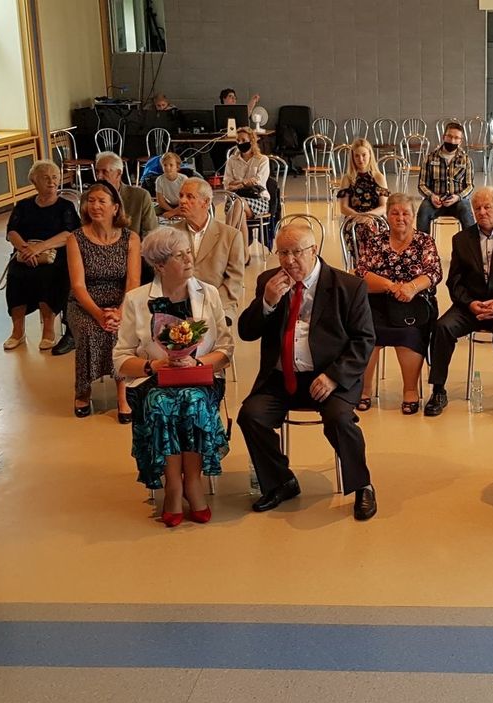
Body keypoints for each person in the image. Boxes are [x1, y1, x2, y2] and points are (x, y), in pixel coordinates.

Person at [237, 224, 378, 521]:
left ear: (314, 250)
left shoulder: (348, 286)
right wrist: (267, 302)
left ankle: (362, 485)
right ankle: (281, 482)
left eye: (296, 252)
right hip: (281, 377)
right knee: (251, 416)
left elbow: (364, 340)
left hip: (328, 377)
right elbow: (247, 332)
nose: (289, 261)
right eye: (282, 253)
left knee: (340, 419)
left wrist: (334, 376)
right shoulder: (269, 281)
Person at [113, 228, 234, 527]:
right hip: (154, 379)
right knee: (161, 404)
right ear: (160, 266)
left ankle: (192, 482)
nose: (188, 259)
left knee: (193, 402)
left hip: (201, 376)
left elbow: (225, 350)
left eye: (188, 252)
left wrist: (196, 361)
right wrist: (154, 365)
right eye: (179, 256)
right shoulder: (137, 300)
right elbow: (120, 359)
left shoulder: (208, 293)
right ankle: (173, 486)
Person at [424, 186, 493, 417]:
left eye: (487, 207)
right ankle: (438, 389)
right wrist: (470, 303)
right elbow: (454, 281)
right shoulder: (461, 239)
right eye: (477, 208)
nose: (482, 212)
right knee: (442, 328)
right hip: (470, 306)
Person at [354, 193, 442, 414]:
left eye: (405, 213)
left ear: (413, 216)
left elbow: (434, 272)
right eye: (395, 213)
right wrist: (390, 286)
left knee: (409, 333)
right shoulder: (376, 241)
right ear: (387, 215)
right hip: (378, 301)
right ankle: (364, 389)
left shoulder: (424, 241)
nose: (400, 218)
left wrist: (411, 287)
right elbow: (361, 273)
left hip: (414, 302)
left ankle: (410, 390)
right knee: (367, 332)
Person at [66, 181, 142, 421]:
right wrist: (99, 315)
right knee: (88, 330)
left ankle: (123, 394)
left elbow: (133, 281)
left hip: (122, 301)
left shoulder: (131, 238)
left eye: (102, 201)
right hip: (85, 303)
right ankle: (83, 390)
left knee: (120, 331)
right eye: (91, 201)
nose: (95, 206)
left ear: (115, 208)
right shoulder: (75, 239)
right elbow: (78, 286)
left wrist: (119, 312)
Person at [4, 160, 80, 351]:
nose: (51, 182)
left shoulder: (65, 207)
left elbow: (69, 234)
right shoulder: (23, 205)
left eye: (54, 177)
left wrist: (39, 248)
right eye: (45, 178)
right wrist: (25, 249)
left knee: (49, 275)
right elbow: (12, 231)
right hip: (25, 252)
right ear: (34, 181)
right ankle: (17, 331)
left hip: (55, 254)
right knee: (15, 275)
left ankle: (48, 330)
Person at [175, 177, 247, 320]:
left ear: (206, 202)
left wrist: (209, 304)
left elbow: (234, 281)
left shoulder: (231, 236)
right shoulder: (171, 234)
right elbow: (164, 276)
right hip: (179, 305)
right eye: (181, 196)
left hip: (219, 304)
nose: (182, 201)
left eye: (190, 197)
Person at [416, 121, 476, 233]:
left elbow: (470, 186)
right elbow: (422, 184)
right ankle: (423, 242)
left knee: (467, 211)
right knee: (423, 211)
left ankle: (471, 242)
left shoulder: (466, 159)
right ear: (443, 137)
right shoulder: (429, 158)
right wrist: (431, 196)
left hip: (457, 201)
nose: (452, 141)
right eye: (449, 136)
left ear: (460, 141)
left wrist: (458, 197)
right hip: (435, 201)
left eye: (456, 138)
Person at [337, 137, 391, 257]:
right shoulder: (347, 178)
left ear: (370, 155)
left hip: (375, 217)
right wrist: (359, 216)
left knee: (374, 231)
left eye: (364, 155)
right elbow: (343, 207)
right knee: (360, 231)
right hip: (354, 217)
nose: (360, 159)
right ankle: (361, 263)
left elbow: (383, 206)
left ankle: (374, 263)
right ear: (352, 157)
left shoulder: (378, 177)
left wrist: (368, 216)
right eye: (357, 156)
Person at [220, 128, 271, 240]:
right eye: (238, 141)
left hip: (258, 199)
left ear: (252, 141)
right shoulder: (232, 160)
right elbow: (227, 183)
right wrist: (245, 182)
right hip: (235, 199)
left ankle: (226, 237)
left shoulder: (262, 160)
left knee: (239, 203)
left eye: (243, 140)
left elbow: (258, 182)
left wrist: (237, 184)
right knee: (240, 212)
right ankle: (244, 250)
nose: (240, 143)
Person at [95, 151, 158, 239]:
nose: (99, 176)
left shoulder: (140, 196)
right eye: (97, 172)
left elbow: (150, 233)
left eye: (105, 172)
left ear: (118, 173)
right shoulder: (88, 198)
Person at [154, 152, 186, 218]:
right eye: (165, 165)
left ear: (177, 167)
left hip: (182, 204)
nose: (168, 168)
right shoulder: (159, 180)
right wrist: (171, 211)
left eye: (171, 165)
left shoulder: (183, 179)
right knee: (152, 211)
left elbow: (186, 199)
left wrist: (173, 212)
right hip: (168, 205)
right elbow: (160, 201)